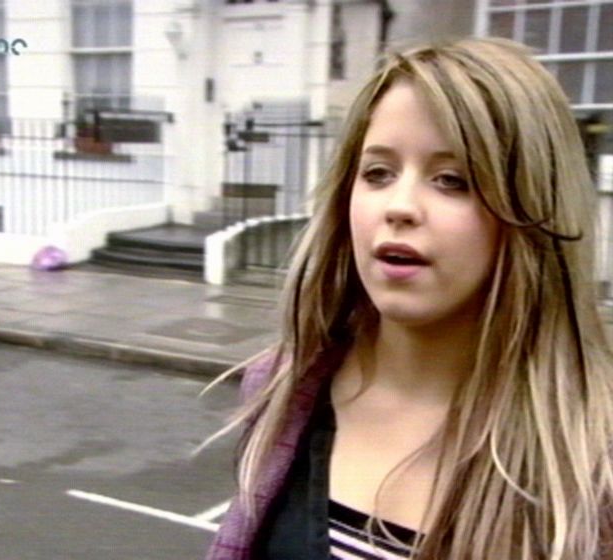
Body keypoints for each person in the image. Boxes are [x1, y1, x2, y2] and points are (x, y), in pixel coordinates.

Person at [203, 37, 613, 559]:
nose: (399, 207)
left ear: (533, 207)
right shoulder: (284, 389)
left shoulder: (591, 456)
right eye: (378, 173)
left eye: (453, 180)